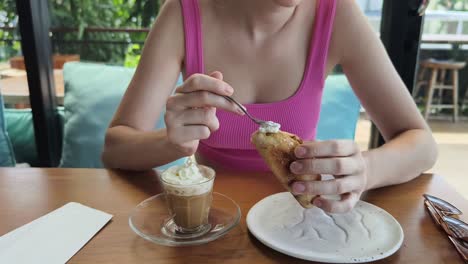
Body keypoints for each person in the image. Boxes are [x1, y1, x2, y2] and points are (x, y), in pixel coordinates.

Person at [102, 0, 438, 213]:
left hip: (303, 221)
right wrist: (170, 142)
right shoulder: (183, 12)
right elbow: (115, 149)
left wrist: (365, 170)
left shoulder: (337, 13)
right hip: (213, 223)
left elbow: (422, 145)